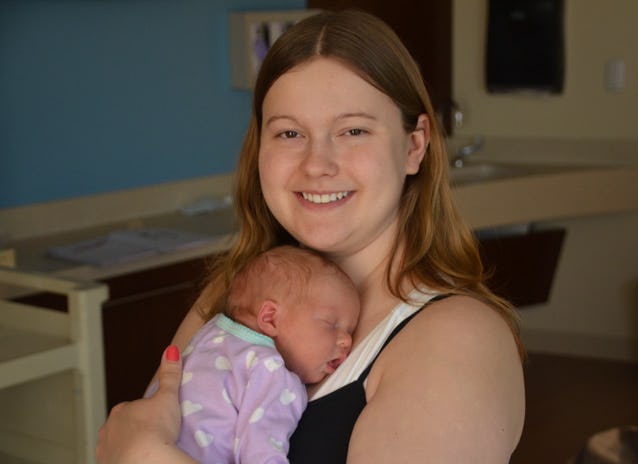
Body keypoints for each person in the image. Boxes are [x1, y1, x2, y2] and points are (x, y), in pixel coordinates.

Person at [97, 9, 526, 464]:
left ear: (414, 145)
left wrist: (146, 454)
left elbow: (140, 445)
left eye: (353, 130)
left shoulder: (456, 338)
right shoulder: (231, 296)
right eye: (289, 133)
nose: (317, 164)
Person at [146, 245, 359, 463]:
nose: (347, 340)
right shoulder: (272, 373)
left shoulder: (210, 333)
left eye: (351, 330)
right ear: (269, 318)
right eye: (331, 324)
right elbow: (261, 453)